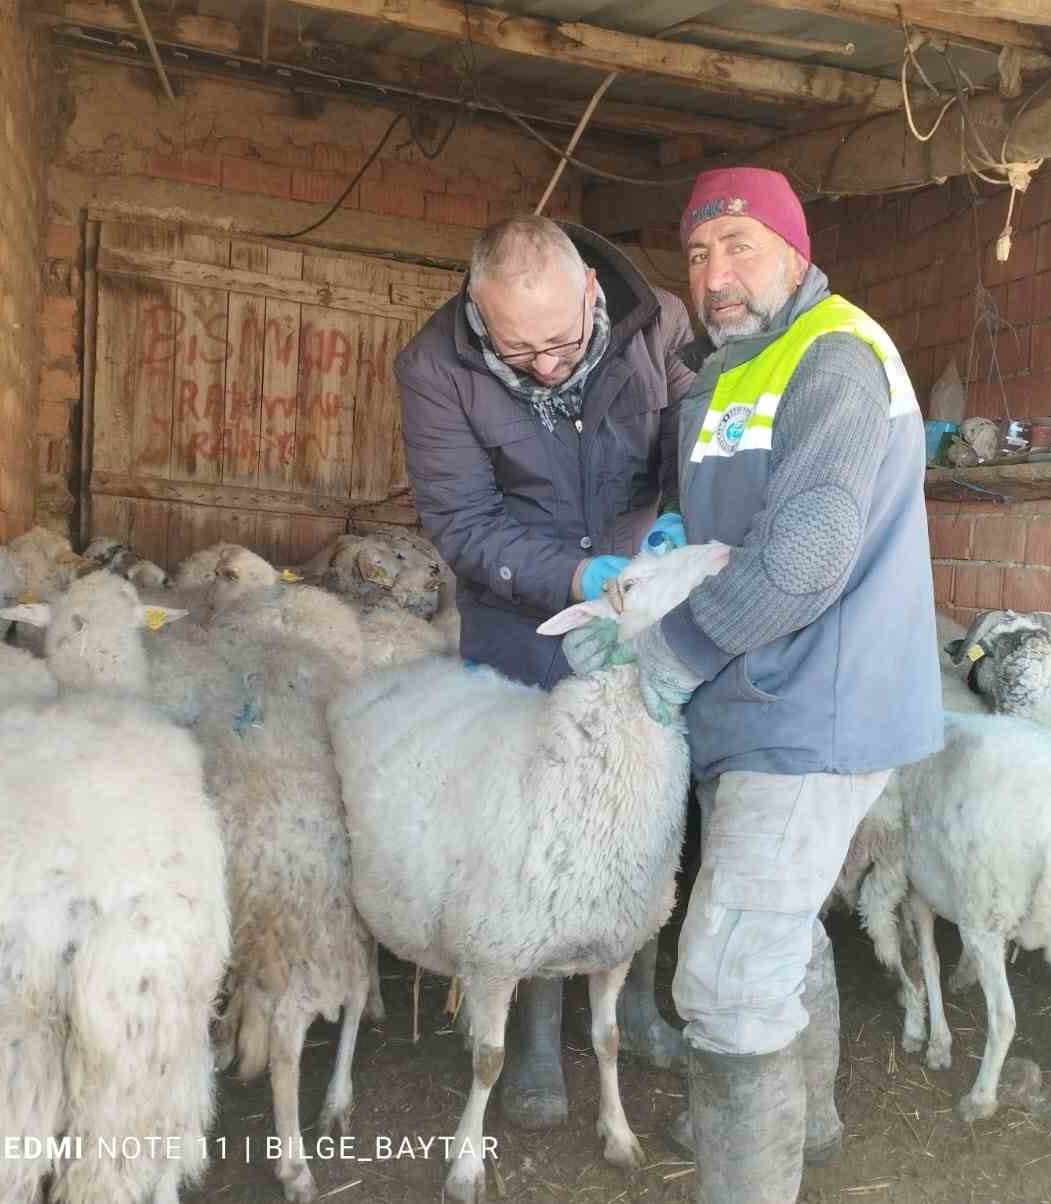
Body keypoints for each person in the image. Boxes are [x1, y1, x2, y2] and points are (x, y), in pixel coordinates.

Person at [565, 167, 944, 1200]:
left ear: (792, 248)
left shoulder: (833, 358)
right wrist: (671, 562)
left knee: (726, 978)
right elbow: (731, 532)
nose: (716, 273)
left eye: (739, 246)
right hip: (757, 692)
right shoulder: (731, 367)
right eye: (697, 254)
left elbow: (812, 550)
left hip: (811, 700)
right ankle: (805, 1125)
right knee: (777, 932)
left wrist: (669, 654)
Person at [395, 214, 695, 1131]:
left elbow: (699, 435)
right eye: (517, 348)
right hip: (521, 609)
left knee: (642, 799)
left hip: (639, 600)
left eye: (562, 340)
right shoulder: (434, 369)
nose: (546, 362)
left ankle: (637, 993)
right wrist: (572, 576)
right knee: (531, 823)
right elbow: (460, 520)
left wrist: (680, 517)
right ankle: (530, 1037)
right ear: (478, 316)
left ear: (593, 297)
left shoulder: (659, 326)